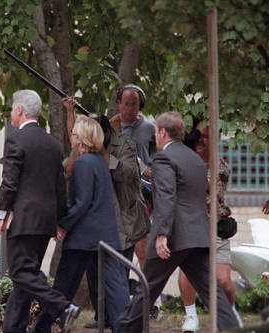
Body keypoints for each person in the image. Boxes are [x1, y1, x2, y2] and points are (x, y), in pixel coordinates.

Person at [115, 111, 240, 333]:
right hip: (198, 235)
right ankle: (232, 328)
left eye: (156, 132)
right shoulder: (194, 158)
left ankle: (124, 329)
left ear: (162, 132)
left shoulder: (164, 157)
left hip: (173, 237)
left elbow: (166, 196)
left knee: (147, 287)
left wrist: (162, 233)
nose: (156, 135)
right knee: (212, 292)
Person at [0, 90, 79, 333]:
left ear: (19, 110)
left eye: (11, 109)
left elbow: (9, 182)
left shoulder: (16, 139)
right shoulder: (52, 143)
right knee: (25, 280)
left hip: (25, 220)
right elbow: (60, 186)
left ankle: (64, 307)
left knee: (20, 272)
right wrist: (59, 220)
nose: (11, 113)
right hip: (46, 221)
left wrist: (0, 217)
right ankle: (13, 328)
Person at [31, 115, 130, 333]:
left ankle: (42, 327)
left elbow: (82, 202)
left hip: (84, 237)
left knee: (64, 285)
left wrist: (62, 224)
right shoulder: (98, 161)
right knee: (115, 286)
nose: (71, 136)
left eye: (74, 133)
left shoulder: (83, 163)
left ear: (83, 137)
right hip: (105, 234)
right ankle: (123, 327)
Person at [62, 97, 150, 328]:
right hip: (99, 222)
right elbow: (68, 166)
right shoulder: (86, 158)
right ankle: (104, 317)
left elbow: (130, 174)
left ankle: (121, 321)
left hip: (123, 221)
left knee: (117, 276)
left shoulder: (123, 147)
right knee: (94, 275)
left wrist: (103, 156)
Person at [179, 121, 242, 331]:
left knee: (223, 280)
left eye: (206, 136)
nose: (201, 140)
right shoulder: (183, 162)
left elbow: (208, 191)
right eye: (198, 135)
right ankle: (190, 316)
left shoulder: (221, 167)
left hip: (215, 226)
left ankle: (228, 316)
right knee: (188, 271)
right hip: (190, 226)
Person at [110, 84, 155, 270]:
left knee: (142, 249)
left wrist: (150, 170)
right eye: (126, 104)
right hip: (116, 196)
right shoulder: (110, 127)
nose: (129, 109)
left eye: (134, 105)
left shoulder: (150, 129)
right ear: (119, 103)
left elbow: (158, 161)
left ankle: (146, 295)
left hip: (141, 196)